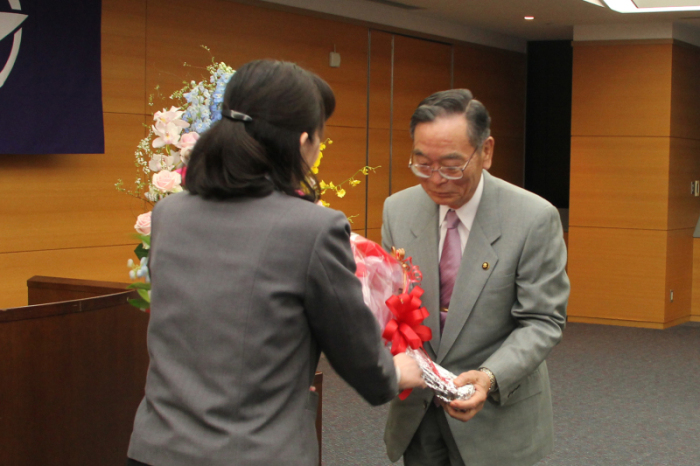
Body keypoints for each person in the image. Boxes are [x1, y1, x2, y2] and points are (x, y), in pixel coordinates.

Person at [126, 60, 424, 466]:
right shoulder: (312, 228)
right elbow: (356, 354)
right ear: (303, 142)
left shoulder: (169, 214)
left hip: (156, 448)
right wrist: (395, 371)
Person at [381, 89, 570, 466]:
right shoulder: (397, 209)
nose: (436, 179)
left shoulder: (533, 218)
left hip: (497, 421)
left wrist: (489, 377)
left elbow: (542, 320)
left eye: (452, 166)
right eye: (422, 164)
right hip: (418, 416)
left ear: (485, 152)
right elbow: (391, 305)